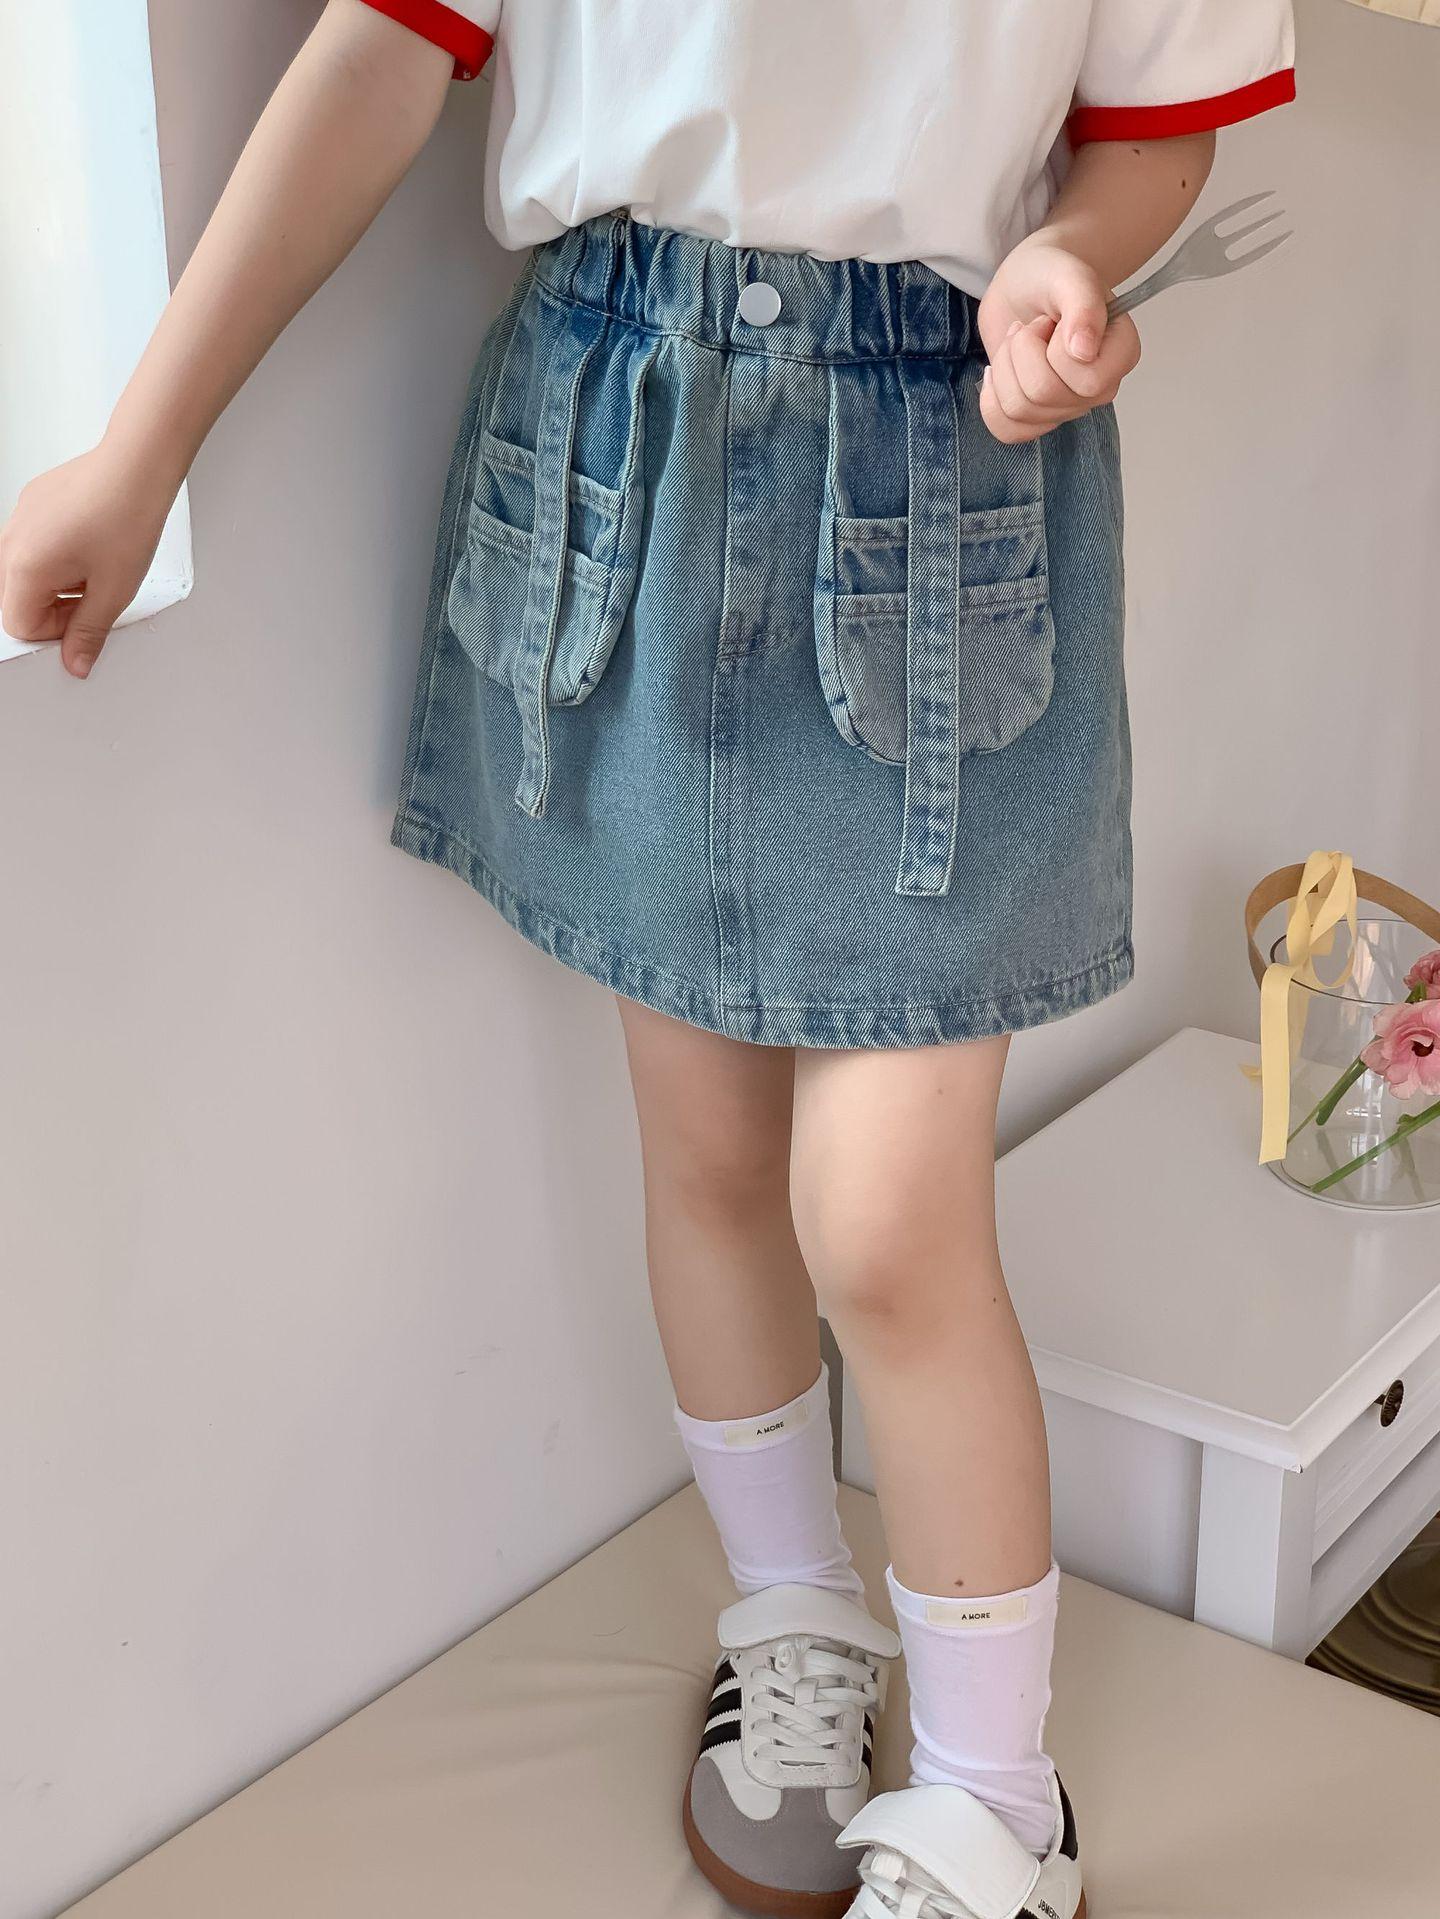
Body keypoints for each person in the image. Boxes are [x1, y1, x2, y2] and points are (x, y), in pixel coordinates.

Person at [0, 4, 1295, 1914]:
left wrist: (1074, 256)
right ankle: (795, 1623)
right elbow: (376, 57)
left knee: (885, 1221)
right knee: (704, 1156)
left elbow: (1162, 120)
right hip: (625, 448)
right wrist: (140, 450)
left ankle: (995, 1807)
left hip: (936, 475)